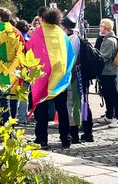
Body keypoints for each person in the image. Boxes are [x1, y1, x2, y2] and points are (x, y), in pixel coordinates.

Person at [29, 9, 72, 149]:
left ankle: (42, 139)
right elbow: (70, 53)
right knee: (62, 109)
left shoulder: (39, 32)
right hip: (60, 79)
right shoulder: (61, 33)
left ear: (44, 19)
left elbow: (30, 49)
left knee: (42, 111)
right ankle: (66, 138)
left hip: (43, 78)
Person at [62, 17, 93, 144]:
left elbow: (70, 61)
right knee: (84, 103)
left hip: (74, 76)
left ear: (64, 27)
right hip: (83, 75)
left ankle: (74, 135)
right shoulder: (79, 38)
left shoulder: (69, 40)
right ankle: (87, 132)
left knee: (73, 105)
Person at [96, 18, 118, 128]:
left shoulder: (109, 41)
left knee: (113, 94)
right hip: (110, 71)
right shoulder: (110, 39)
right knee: (108, 94)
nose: (99, 28)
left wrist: (94, 55)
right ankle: (109, 116)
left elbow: (104, 57)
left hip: (109, 71)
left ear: (105, 28)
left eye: (101, 26)